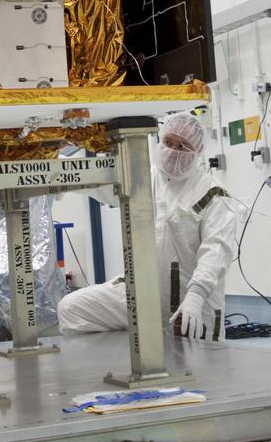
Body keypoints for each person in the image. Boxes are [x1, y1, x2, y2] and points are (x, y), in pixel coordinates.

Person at [57, 112, 238, 340]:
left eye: (182, 146)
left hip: (189, 302)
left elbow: (216, 251)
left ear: (198, 152)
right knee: (72, 309)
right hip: (139, 294)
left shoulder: (213, 195)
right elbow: (94, 179)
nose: (173, 151)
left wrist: (196, 295)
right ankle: (124, 360)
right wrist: (52, 164)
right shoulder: (143, 179)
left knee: (197, 368)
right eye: (169, 142)